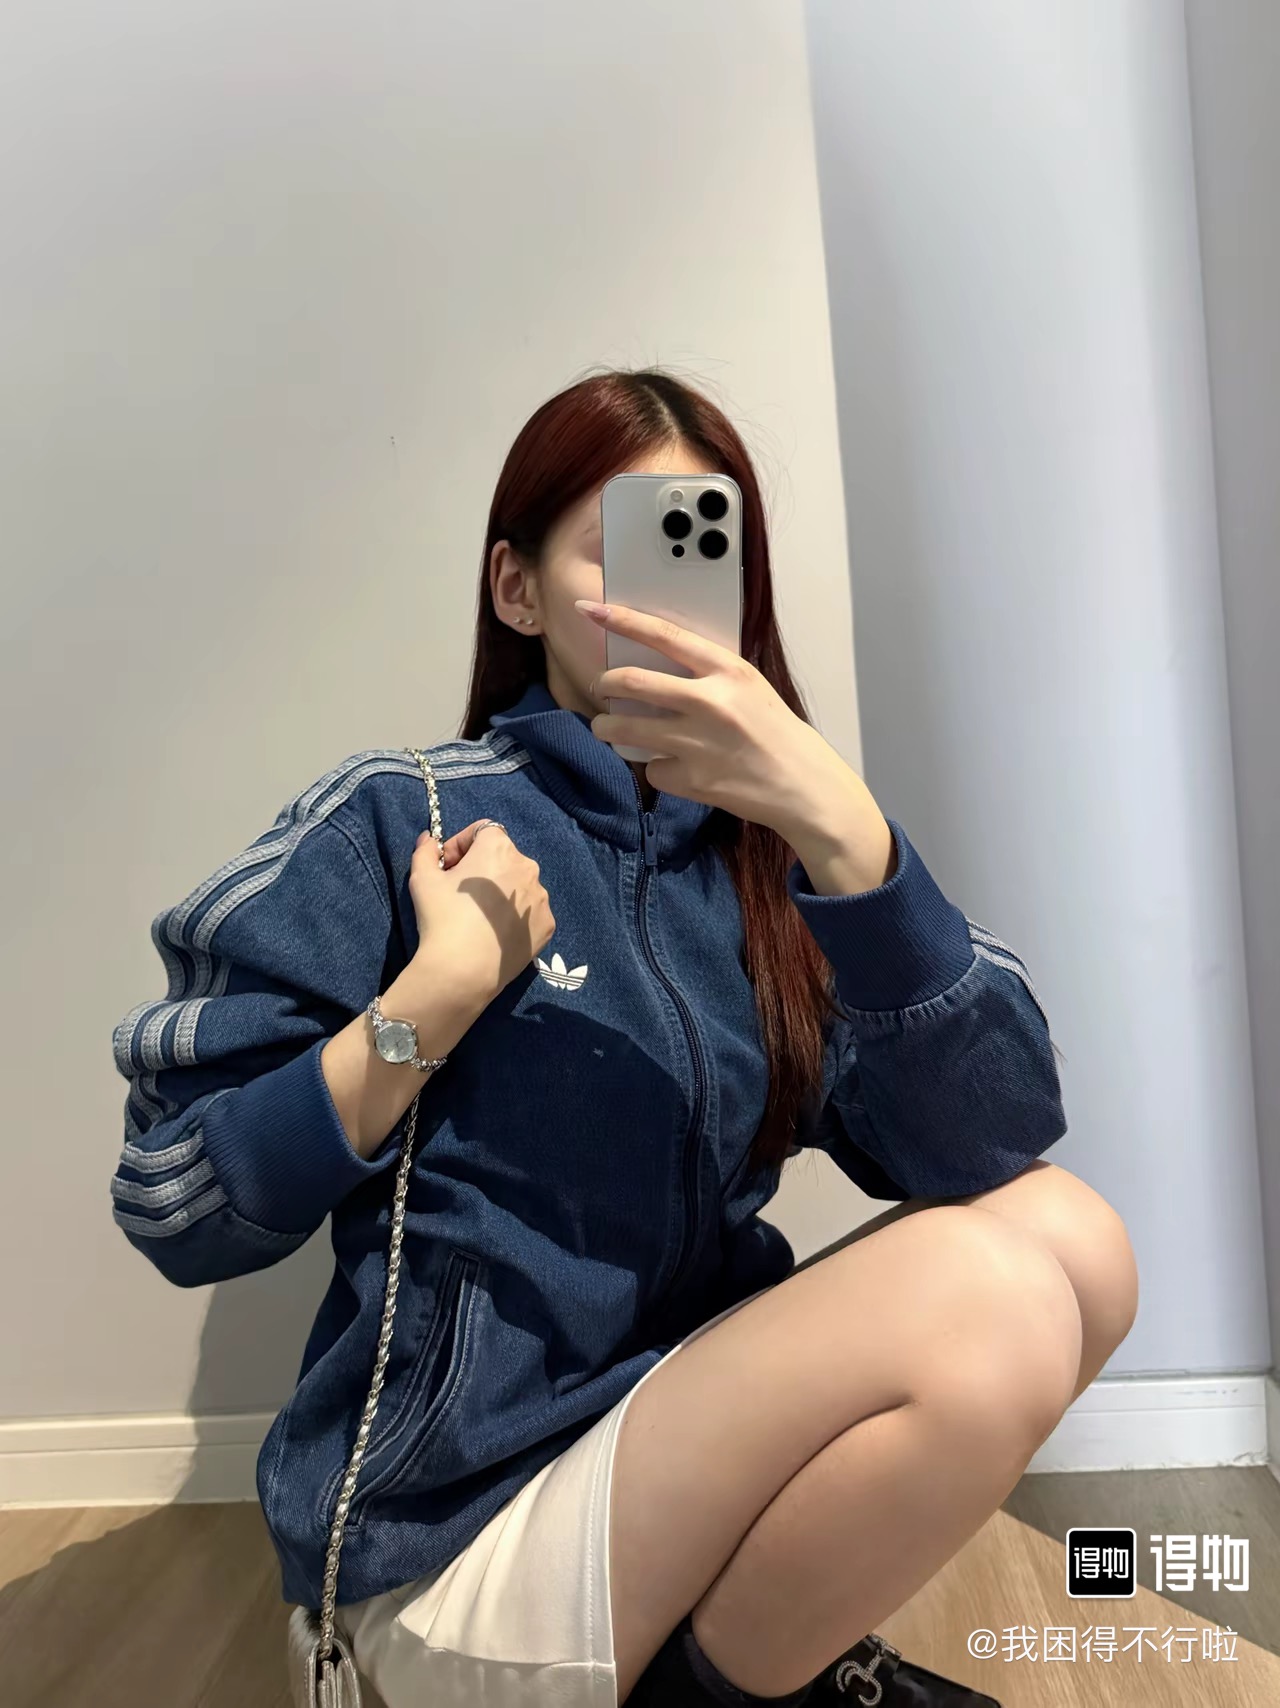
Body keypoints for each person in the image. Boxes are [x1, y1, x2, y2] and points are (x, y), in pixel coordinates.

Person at [110, 367, 1138, 1708]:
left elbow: (991, 1141)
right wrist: (437, 997)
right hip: (452, 1544)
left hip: (672, 1479)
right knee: (991, 1300)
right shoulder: (404, 818)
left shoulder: (770, 869)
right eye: (621, 549)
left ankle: (726, 1676)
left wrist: (850, 837)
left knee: (1073, 1242)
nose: (664, 598)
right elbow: (175, 1199)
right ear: (517, 590)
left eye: (701, 550)